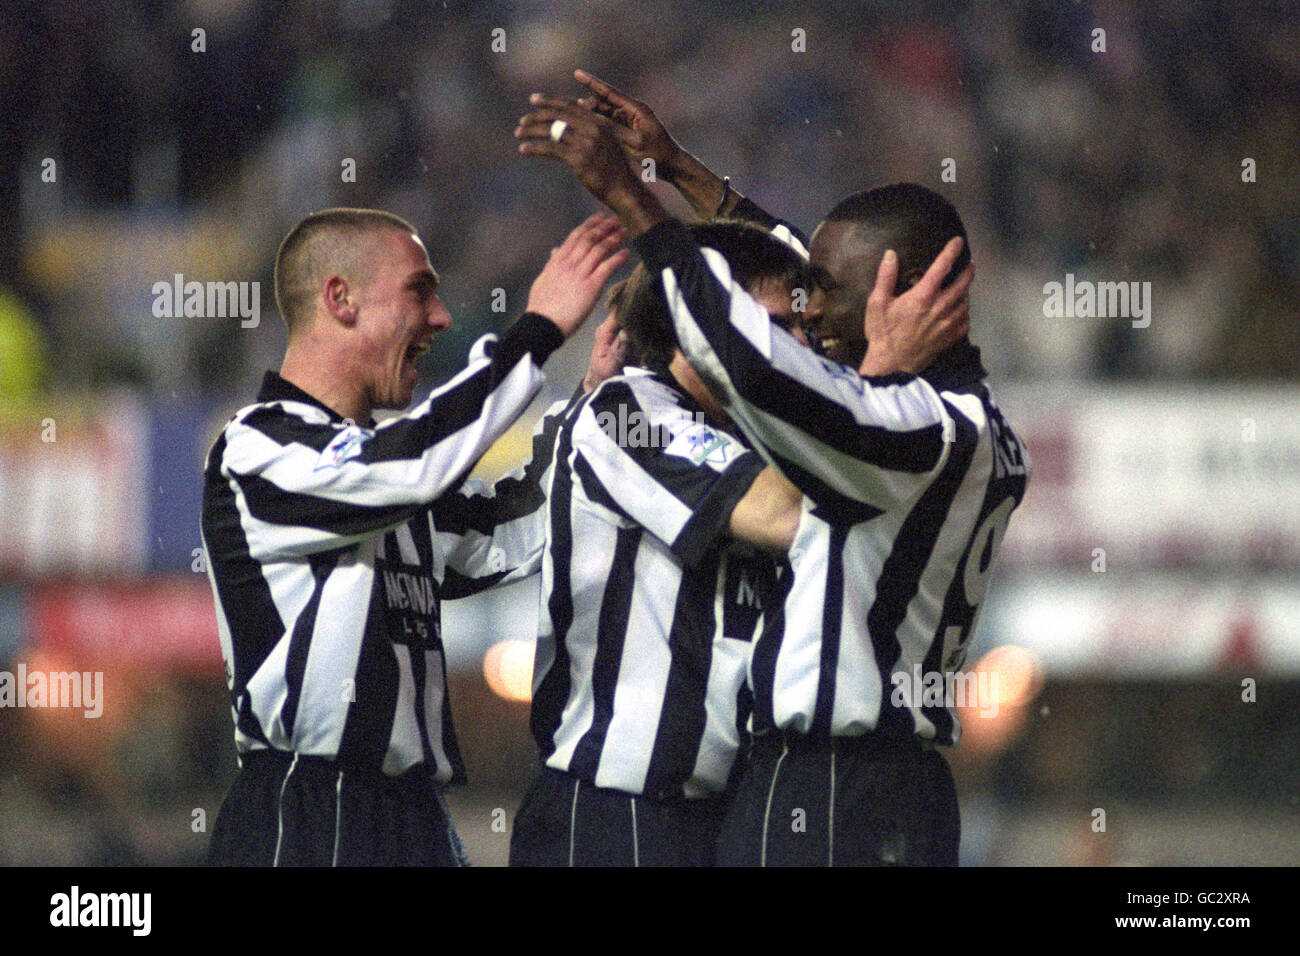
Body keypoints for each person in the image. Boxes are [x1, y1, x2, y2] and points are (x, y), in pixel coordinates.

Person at [516, 77, 1031, 866]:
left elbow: (751, 360)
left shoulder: (901, 424)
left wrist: (633, 198)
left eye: (822, 298)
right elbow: (802, 287)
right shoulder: (972, 426)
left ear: (912, 290)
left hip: (833, 792)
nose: (809, 314)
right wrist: (684, 172)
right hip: (878, 793)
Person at [200, 208, 627, 866]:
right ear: (339, 298)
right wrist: (534, 333)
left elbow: (515, 527)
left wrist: (591, 401)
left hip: (414, 816)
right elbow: (413, 465)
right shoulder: (259, 447)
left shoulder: (384, 478)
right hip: (312, 812)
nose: (441, 318)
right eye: (419, 290)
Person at [509, 221, 809, 867]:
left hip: (720, 815)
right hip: (620, 814)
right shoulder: (626, 409)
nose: (798, 349)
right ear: (698, 324)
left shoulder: (758, 437)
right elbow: (784, 516)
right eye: (774, 327)